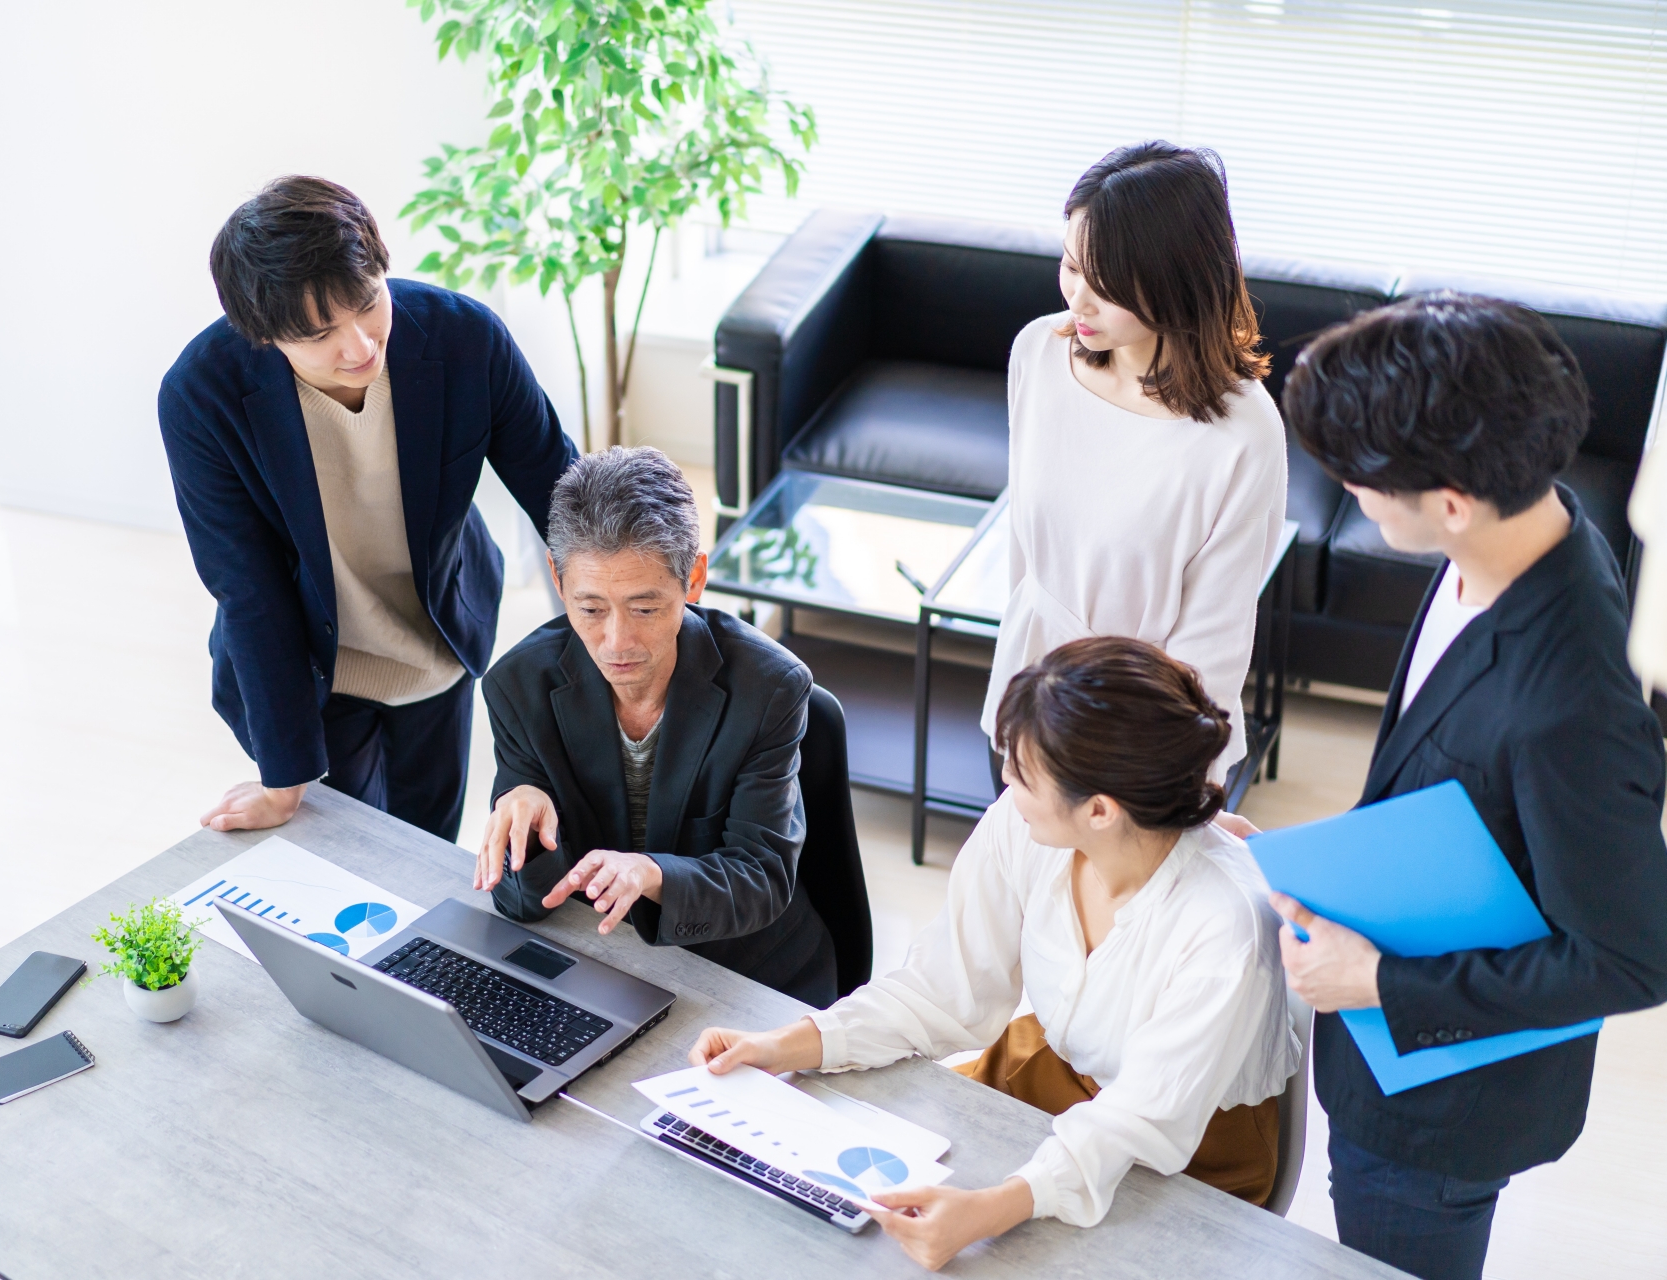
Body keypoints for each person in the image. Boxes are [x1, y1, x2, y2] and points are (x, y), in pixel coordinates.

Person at [1273, 293, 1667, 1280]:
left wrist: (1374, 982)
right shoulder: (1515, 535)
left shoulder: (1573, 695)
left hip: (1439, 1113)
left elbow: (1630, 959)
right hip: (1404, 1040)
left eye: (1359, 480)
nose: (1349, 496)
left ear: (1448, 498)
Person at [691, 637, 1299, 1270]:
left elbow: (1138, 1121)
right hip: (1056, 1068)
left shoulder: (1225, 921)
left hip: (1195, 1144)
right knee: (847, 1205)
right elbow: (942, 988)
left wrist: (991, 1208)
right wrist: (785, 1044)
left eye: (1025, 771)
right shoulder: (1025, 822)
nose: (1005, 778)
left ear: (1099, 810)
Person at [158, 176, 577, 841]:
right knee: (350, 856)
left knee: (427, 842)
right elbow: (246, 584)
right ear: (264, 336)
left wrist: (622, 642)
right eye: (321, 333)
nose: (359, 347)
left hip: (438, 635)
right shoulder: (201, 395)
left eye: (366, 303)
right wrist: (281, 774)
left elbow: (563, 491)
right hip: (311, 664)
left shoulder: (466, 339)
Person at [473, 447, 838, 1006]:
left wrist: (653, 873)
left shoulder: (770, 688)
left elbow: (762, 879)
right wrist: (526, 830)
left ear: (693, 577)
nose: (617, 642)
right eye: (591, 609)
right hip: (609, 968)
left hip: (748, 975)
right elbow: (522, 904)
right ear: (557, 577)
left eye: (644, 609)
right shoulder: (518, 686)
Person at [982, 141, 1287, 788]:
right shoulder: (1039, 353)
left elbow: (1216, 640)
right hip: (1028, 700)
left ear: (1176, 279)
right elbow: (1023, 554)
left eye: (1108, 284)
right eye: (1070, 266)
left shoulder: (1242, 433)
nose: (1079, 301)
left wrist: (1183, 789)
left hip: (1144, 741)